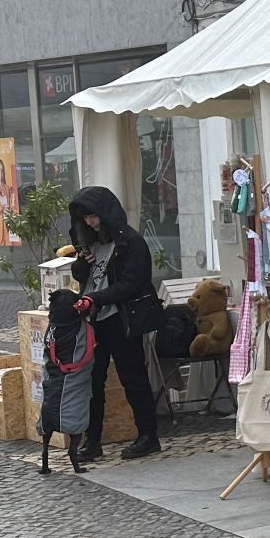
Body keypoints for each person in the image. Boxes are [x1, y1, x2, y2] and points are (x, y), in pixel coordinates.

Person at [68, 185, 162, 460]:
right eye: (85, 218)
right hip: (94, 321)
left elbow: (132, 284)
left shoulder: (130, 243)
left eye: (94, 216)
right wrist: (82, 264)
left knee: (132, 378)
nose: (90, 222)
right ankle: (92, 441)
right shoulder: (92, 242)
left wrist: (97, 298)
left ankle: (148, 436)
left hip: (121, 319)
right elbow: (83, 277)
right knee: (92, 382)